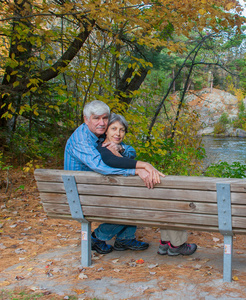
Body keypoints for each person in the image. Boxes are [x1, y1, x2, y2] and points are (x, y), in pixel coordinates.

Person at [64, 100, 163, 255]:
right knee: (133, 201)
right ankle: (97, 237)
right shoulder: (81, 140)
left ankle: (125, 238)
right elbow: (101, 165)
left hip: (94, 189)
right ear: (86, 119)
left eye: (105, 118)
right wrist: (138, 169)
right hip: (80, 196)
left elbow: (128, 150)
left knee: (132, 195)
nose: (102, 123)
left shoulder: (97, 132)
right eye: (96, 118)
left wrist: (121, 148)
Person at [97, 113, 197, 256]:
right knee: (168, 198)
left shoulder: (115, 149)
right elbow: (113, 162)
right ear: (106, 130)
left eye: (122, 130)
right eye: (113, 129)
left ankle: (167, 243)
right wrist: (142, 167)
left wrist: (124, 154)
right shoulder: (104, 151)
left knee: (164, 196)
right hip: (123, 202)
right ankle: (175, 244)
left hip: (119, 199)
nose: (118, 133)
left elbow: (126, 157)